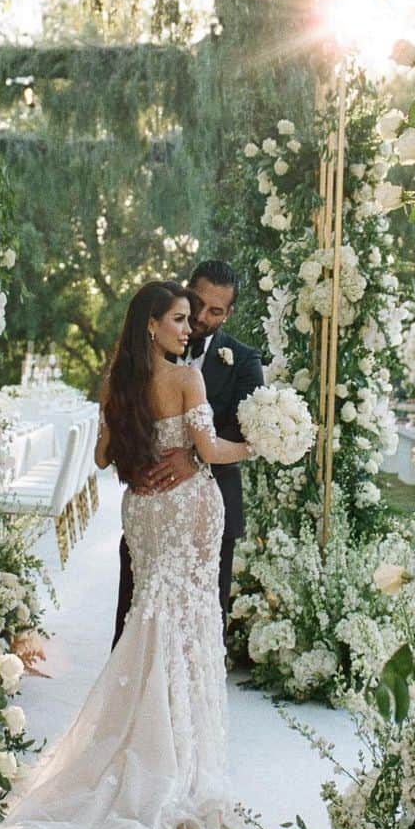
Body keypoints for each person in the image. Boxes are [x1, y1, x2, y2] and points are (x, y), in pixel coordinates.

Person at [0, 280, 255, 829]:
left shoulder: (119, 382)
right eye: (177, 319)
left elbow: (100, 459)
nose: (187, 328)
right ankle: (174, 763)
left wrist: (147, 450)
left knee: (154, 619)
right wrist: (260, 444)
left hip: (143, 513)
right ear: (152, 324)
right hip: (186, 512)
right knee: (188, 622)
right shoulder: (186, 378)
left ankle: (145, 741)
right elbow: (211, 448)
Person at [112, 260, 264, 649]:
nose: (199, 318)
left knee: (199, 628)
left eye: (215, 311)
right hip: (149, 505)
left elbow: (241, 431)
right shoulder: (137, 360)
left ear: (229, 313)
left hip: (206, 512)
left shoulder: (244, 360)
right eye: (196, 304)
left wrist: (194, 457)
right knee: (134, 614)